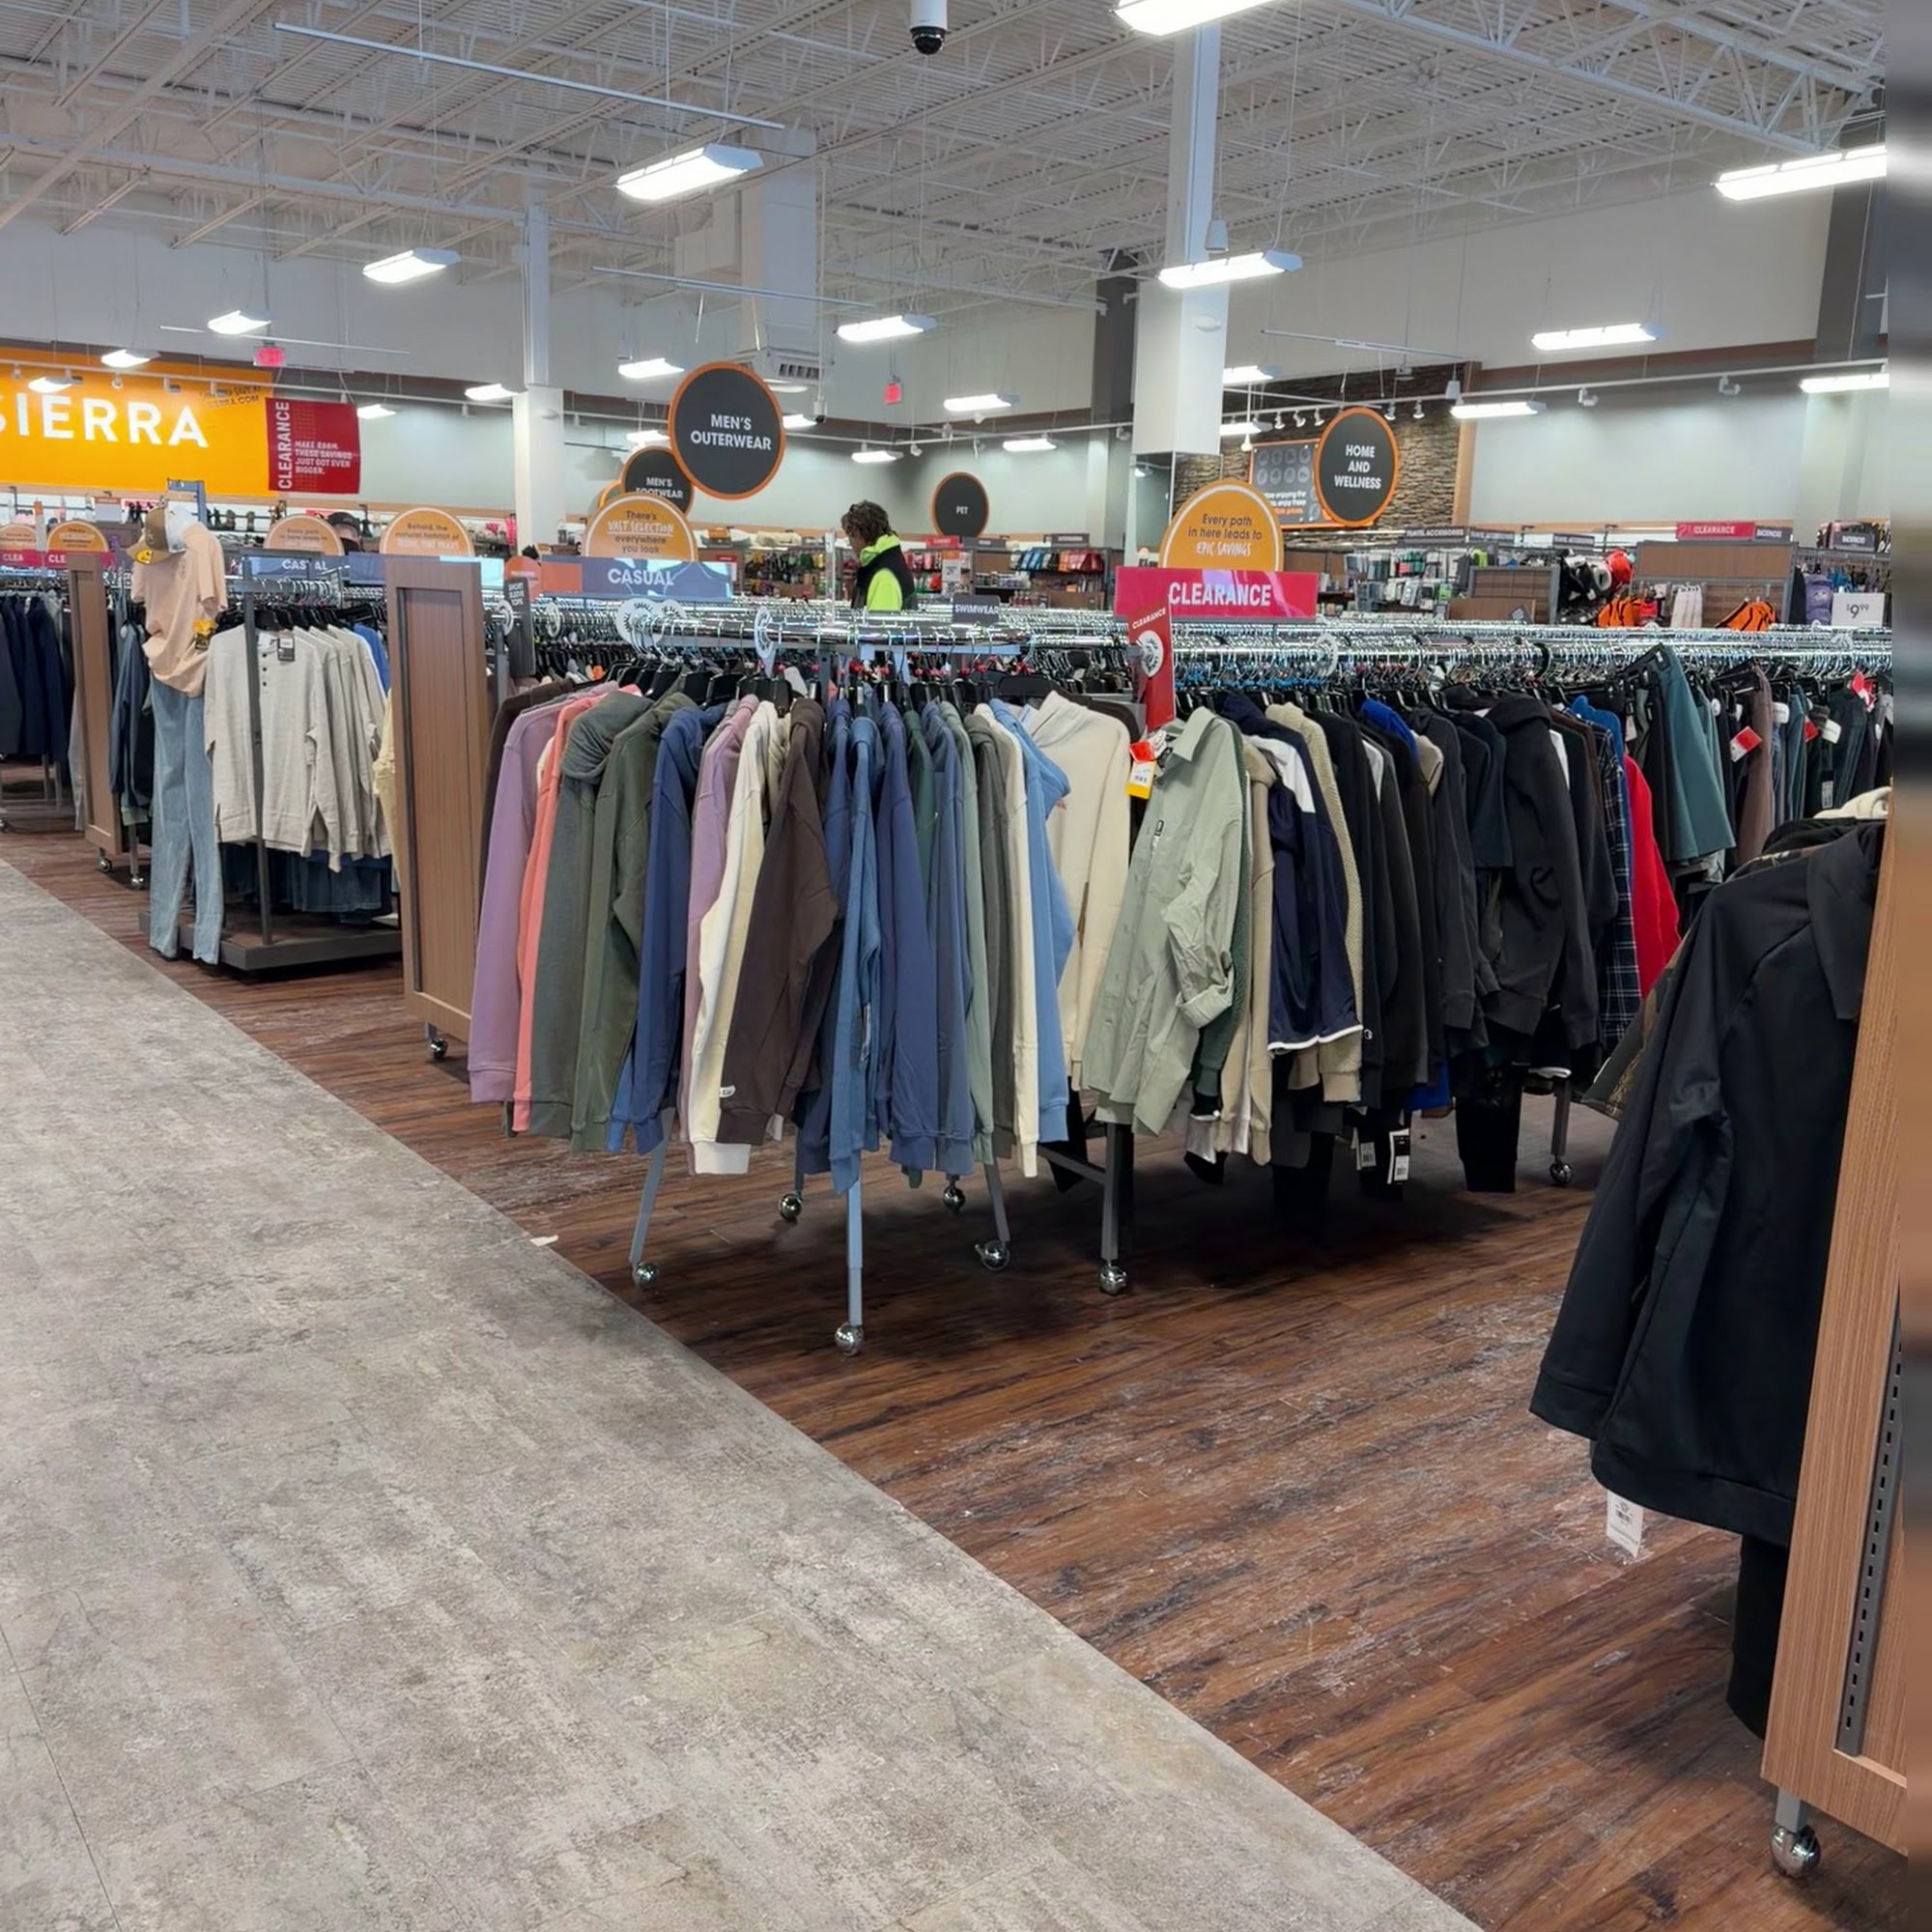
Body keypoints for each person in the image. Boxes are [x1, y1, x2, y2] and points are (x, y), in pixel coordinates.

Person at [843, 500, 917, 611]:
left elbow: (880, 622)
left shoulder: (883, 575)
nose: (850, 544)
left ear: (858, 534)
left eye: (850, 537)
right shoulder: (888, 562)